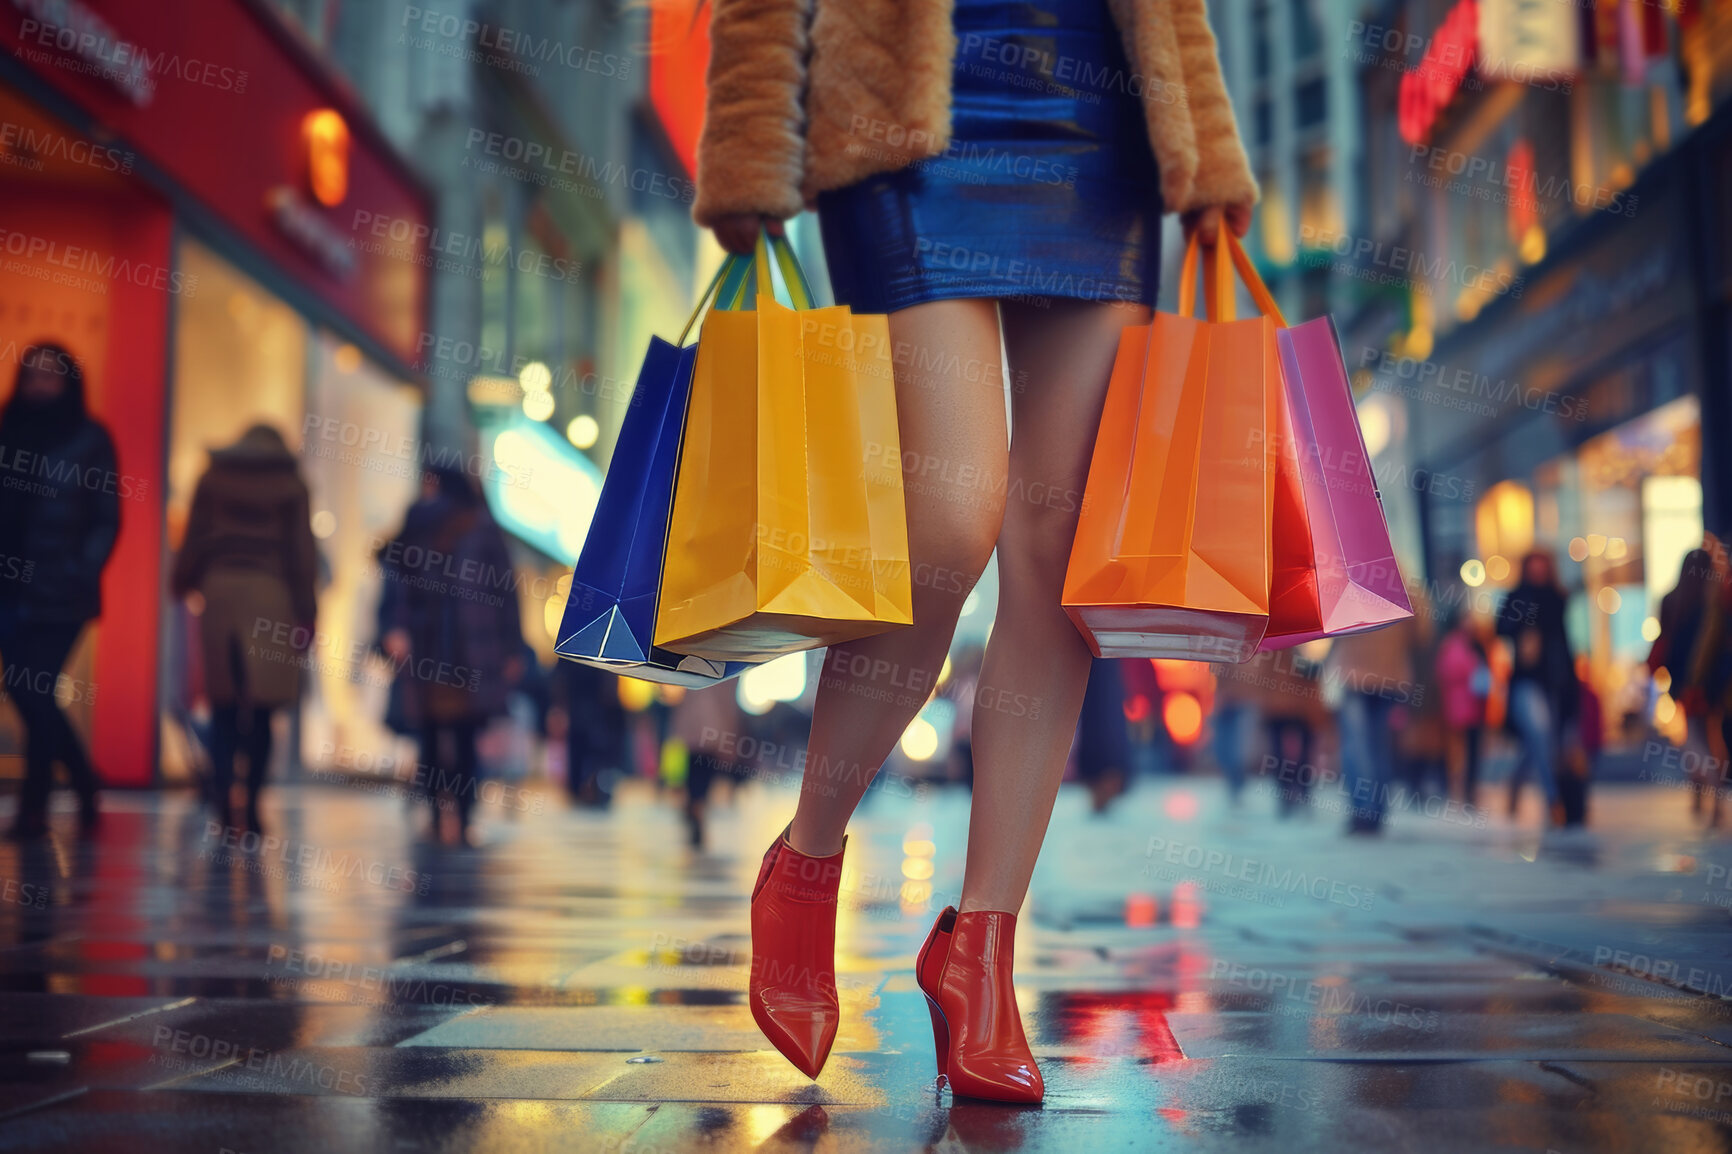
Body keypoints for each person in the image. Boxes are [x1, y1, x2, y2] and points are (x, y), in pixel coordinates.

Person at [696, 0, 1257, 1101]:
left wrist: (1210, 148)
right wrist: (749, 148)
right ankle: (806, 855)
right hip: (902, 115)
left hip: (1103, 125)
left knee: (1060, 548)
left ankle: (983, 943)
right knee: (948, 522)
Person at [172, 424, 318, 834]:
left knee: (223, 705)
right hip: (272, 595)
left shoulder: (213, 476)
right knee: (263, 708)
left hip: (219, 591)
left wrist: (181, 580)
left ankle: (222, 800)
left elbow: (195, 536)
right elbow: (302, 553)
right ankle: (251, 806)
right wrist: (307, 613)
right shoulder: (290, 484)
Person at [0, 343, 118, 840]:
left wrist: (79, 569)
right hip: (8, 585)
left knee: (32, 687)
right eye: (32, 376)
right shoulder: (8, 431)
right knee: (25, 689)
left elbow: (107, 518)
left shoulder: (89, 438)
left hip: (61, 590)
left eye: (50, 376)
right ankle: (86, 778)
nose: (40, 385)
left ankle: (34, 807)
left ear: (69, 383)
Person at [379, 467, 524, 847]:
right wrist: (393, 629)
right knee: (436, 736)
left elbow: (505, 592)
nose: (429, 491)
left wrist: (511, 646)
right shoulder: (431, 523)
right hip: (438, 647)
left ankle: (459, 816)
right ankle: (444, 816)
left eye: (433, 483)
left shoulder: (473, 526)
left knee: (457, 736)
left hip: (462, 649)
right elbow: (396, 581)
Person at [1648, 544, 1731, 825]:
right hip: (1710, 682)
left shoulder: (1674, 600)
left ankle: (1705, 791)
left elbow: (1664, 642)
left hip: (1686, 681)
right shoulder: (1715, 601)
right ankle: (1711, 796)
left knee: (1695, 739)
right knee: (1709, 737)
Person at [1496, 550, 1578, 828]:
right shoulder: (1517, 597)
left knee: (1539, 743)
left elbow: (1565, 643)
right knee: (1541, 734)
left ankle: (1515, 783)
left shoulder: (1558, 598)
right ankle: (1554, 802)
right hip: (1525, 682)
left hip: (1555, 681)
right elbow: (1501, 628)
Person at [1325, 614, 1421, 834]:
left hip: (1354, 672)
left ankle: (1363, 811)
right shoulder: (1407, 588)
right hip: (1392, 674)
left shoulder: (1350, 582)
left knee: (1356, 744)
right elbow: (1421, 635)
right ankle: (1376, 812)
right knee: (1379, 746)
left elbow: (1331, 624)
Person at [1435, 606, 1492, 808]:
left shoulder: (1477, 645)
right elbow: (1447, 671)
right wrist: (1471, 670)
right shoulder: (1453, 644)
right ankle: (1457, 788)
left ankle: (1470, 789)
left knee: (1474, 750)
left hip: (1476, 706)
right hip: (1458, 706)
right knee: (1458, 751)